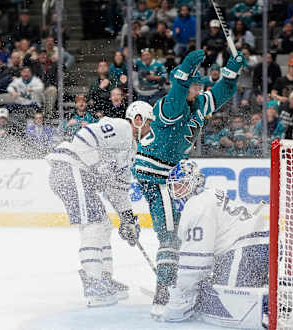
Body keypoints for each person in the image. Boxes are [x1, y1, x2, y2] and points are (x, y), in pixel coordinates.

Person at [131, 49, 244, 316]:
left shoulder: (200, 104)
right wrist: (182, 76)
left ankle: (180, 280)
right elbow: (174, 104)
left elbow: (221, 94)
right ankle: (164, 294)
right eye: (193, 85)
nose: (198, 89)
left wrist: (230, 74)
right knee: (169, 234)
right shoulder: (168, 105)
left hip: (171, 176)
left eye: (198, 86)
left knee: (183, 230)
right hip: (155, 175)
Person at [46, 101, 156, 307]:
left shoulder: (130, 151)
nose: (150, 129)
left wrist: (127, 218)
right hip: (69, 168)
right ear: (138, 119)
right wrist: (98, 165)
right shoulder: (122, 128)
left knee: (103, 224)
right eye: (149, 123)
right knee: (94, 224)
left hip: (78, 173)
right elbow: (84, 135)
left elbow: (118, 188)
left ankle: (103, 278)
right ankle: (93, 283)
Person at [161, 161, 269, 329]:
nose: (177, 192)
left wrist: (183, 294)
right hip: (263, 245)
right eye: (174, 188)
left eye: (181, 186)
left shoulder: (196, 205)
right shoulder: (210, 196)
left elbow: (196, 262)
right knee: (224, 288)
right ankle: (279, 295)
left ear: (195, 183)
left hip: (247, 249)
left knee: (229, 307)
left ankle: (267, 307)